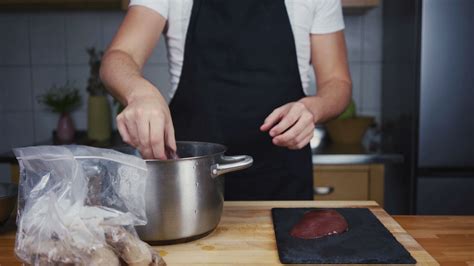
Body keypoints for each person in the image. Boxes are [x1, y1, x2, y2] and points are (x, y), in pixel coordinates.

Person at [100, 0, 352, 200]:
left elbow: (337, 83)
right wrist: (140, 93)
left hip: (283, 184)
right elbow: (119, 56)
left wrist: (313, 108)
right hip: (192, 191)